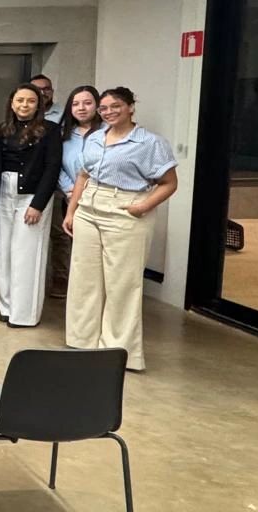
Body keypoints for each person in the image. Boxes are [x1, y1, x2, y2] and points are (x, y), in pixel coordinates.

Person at [64, 87, 177, 372]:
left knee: (122, 283)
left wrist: (142, 206)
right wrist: (71, 210)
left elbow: (169, 183)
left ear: (130, 107)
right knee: (84, 279)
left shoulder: (149, 142)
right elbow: (83, 175)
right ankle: (82, 341)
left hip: (126, 208)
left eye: (115, 106)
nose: (108, 112)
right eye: (103, 108)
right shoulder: (95, 138)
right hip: (89, 206)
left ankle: (118, 349)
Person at [0, 84, 62, 327]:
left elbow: (52, 168)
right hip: (5, 190)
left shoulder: (50, 130)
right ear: (12, 104)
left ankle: (24, 315)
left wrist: (38, 204)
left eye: (31, 101)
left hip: (32, 195)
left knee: (27, 253)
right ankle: (6, 307)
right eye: (20, 100)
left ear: (39, 105)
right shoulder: (4, 129)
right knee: (4, 251)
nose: (24, 105)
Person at [48, 85, 103, 299]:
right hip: (67, 194)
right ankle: (63, 280)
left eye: (87, 103)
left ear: (97, 105)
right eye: (76, 104)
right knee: (63, 238)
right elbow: (55, 163)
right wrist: (69, 188)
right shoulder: (62, 133)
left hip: (98, 196)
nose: (81, 108)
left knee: (93, 244)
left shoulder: (106, 132)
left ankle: (92, 289)